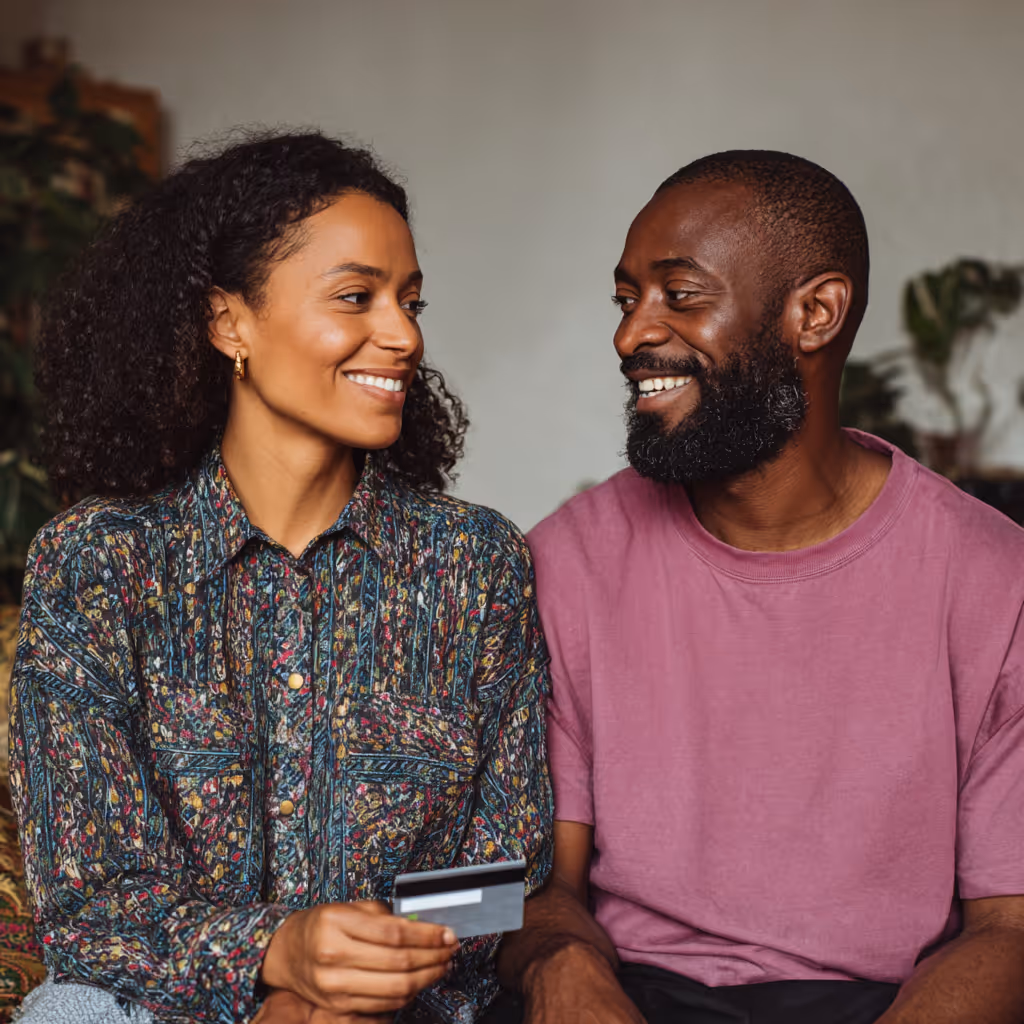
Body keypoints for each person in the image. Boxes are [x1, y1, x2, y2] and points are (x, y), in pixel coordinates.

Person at [10, 132, 552, 1024]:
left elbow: (506, 879)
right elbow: (87, 900)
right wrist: (273, 959)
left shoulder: (477, 565)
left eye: (411, 301)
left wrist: (353, 978)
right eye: (356, 297)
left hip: (408, 1008)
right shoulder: (98, 564)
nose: (405, 335)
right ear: (231, 323)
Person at [492, 151, 1024, 1024]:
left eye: (681, 295)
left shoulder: (996, 582)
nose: (631, 336)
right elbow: (536, 884)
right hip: (632, 992)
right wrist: (556, 963)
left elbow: (1008, 929)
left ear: (814, 313)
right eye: (627, 300)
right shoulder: (565, 563)